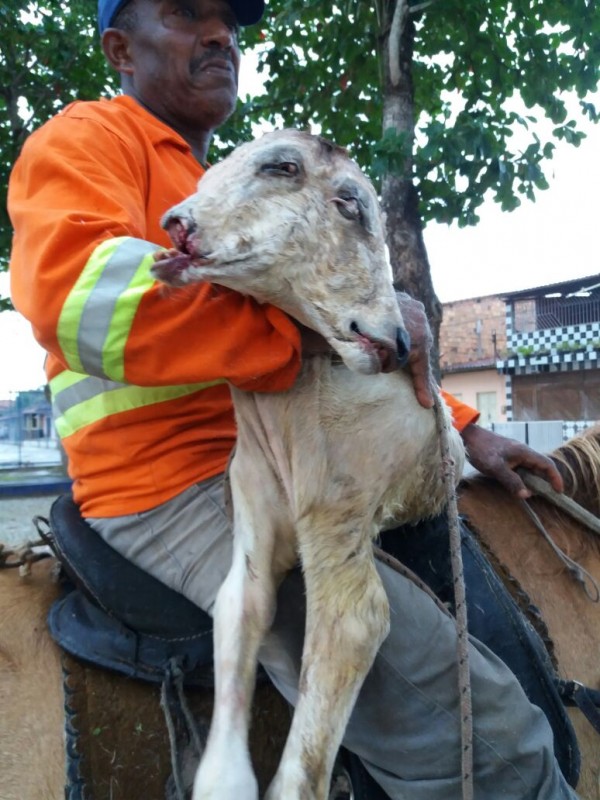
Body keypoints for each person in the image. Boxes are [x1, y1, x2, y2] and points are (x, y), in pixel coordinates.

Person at [8, 1, 574, 797]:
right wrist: (298, 330)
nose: (218, 36)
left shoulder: (248, 172)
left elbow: (348, 339)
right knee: (496, 743)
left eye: (229, 22)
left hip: (302, 450)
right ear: (119, 49)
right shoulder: (87, 140)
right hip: (179, 488)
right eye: (184, 13)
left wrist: (462, 428)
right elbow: (79, 299)